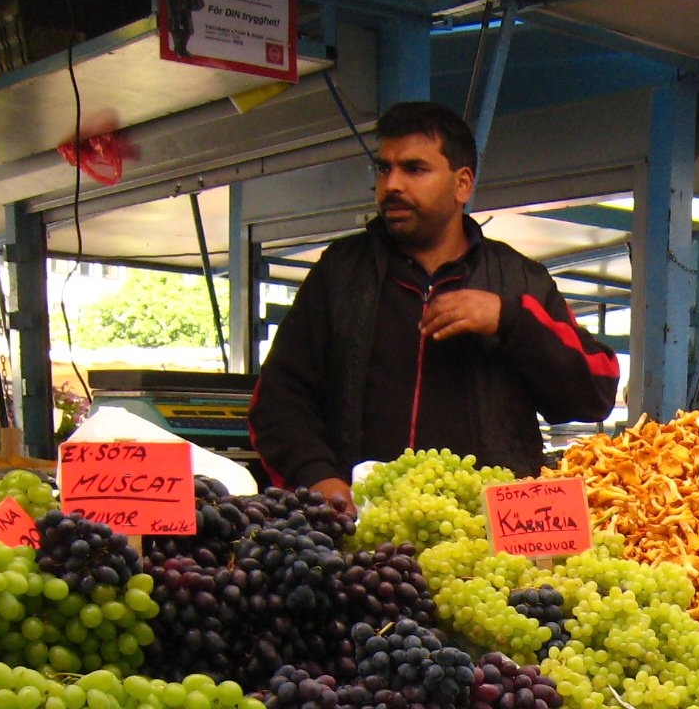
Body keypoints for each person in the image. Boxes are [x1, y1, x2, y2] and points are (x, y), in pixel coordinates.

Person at [248, 102, 620, 513]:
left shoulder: (519, 279)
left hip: (488, 540)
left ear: (462, 184)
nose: (392, 185)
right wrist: (317, 476)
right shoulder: (340, 273)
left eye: (414, 169)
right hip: (360, 537)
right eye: (383, 169)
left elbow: (596, 391)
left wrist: (509, 320)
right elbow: (278, 401)